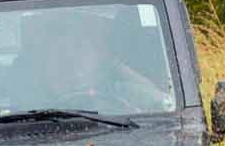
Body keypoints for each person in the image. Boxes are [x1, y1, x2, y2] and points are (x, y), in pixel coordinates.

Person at [18, 8, 172, 114]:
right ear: (44, 65)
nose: (73, 65)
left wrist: (118, 68)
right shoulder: (26, 103)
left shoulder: (123, 91)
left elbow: (165, 104)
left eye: (80, 52)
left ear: (99, 59)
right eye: (60, 56)